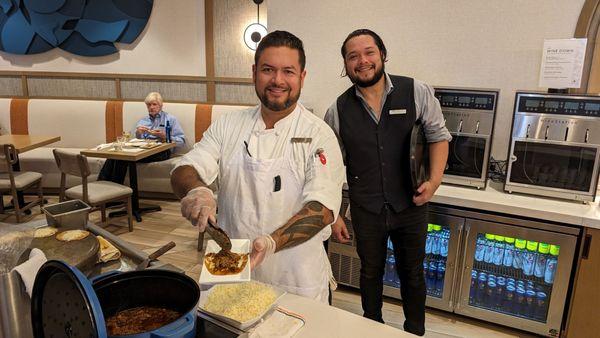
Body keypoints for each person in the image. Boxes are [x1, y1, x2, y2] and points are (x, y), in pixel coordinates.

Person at [170, 31, 344, 303]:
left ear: (302, 77)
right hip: (230, 266)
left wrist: (272, 241)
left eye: (288, 71)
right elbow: (186, 168)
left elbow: (322, 209)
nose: (277, 80)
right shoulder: (229, 125)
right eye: (267, 70)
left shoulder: (319, 135)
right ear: (254, 73)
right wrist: (197, 191)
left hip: (295, 275)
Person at [324, 29, 451, 335]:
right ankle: (372, 328)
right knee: (369, 273)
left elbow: (439, 136)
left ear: (382, 54)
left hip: (411, 204)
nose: (362, 61)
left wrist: (433, 182)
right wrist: (335, 213)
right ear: (345, 64)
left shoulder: (415, 90)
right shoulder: (337, 110)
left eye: (369, 52)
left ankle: (414, 330)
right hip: (365, 209)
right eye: (353, 56)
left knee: (413, 274)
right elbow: (326, 169)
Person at [98, 92, 185, 184]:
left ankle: (115, 191)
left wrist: (165, 136)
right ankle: (101, 185)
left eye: (154, 104)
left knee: (122, 159)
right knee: (114, 156)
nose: (151, 107)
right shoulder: (143, 120)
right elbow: (137, 139)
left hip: (162, 151)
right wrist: (138, 133)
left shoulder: (170, 119)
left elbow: (181, 141)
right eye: (148, 105)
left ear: (161, 105)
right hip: (143, 150)